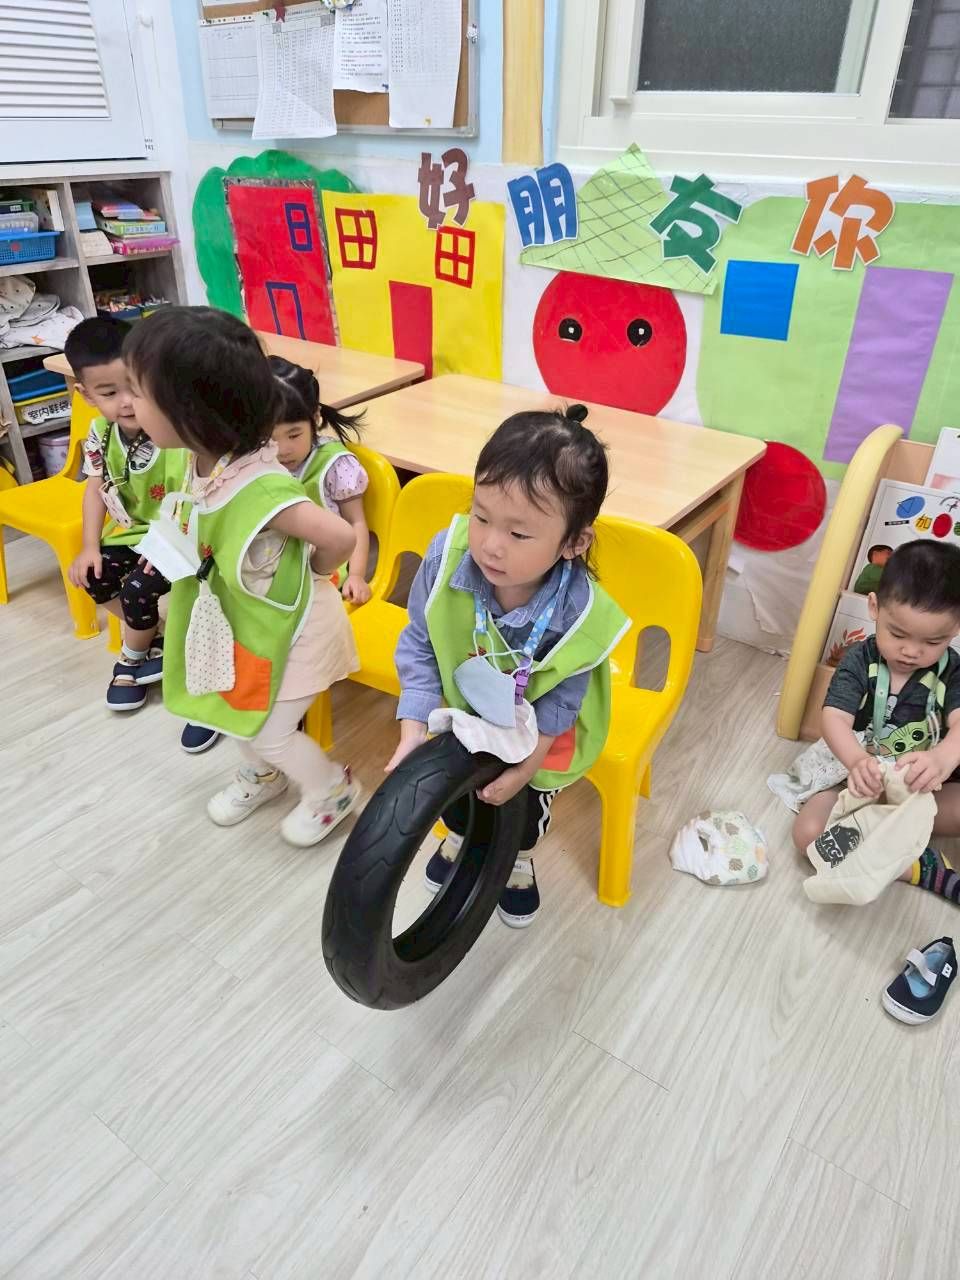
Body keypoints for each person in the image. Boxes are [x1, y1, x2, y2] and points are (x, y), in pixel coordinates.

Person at [123, 307, 361, 848]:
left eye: (138, 391)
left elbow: (341, 538)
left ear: (190, 412)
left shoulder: (261, 488)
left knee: (273, 731)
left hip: (299, 628)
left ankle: (331, 788)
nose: (129, 405)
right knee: (234, 709)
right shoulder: (198, 460)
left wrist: (317, 574)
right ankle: (263, 776)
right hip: (246, 621)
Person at [387, 406, 629, 927]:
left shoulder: (579, 612)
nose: (491, 545)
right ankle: (459, 837)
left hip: (541, 726)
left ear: (574, 542)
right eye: (481, 517)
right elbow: (421, 642)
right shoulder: (446, 557)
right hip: (467, 709)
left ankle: (517, 859)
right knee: (457, 788)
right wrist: (412, 731)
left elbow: (563, 701)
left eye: (519, 535)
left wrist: (525, 767)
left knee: (524, 809)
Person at [63, 318, 219, 753]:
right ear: (86, 395)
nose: (127, 402)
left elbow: (197, 492)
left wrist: (168, 545)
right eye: (110, 393)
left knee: (140, 587)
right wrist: (89, 547)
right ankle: (151, 639)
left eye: (134, 387)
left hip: (185, 536)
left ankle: (134, 656)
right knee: (94, 575)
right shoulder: (101, 434)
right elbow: (96, 488)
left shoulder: (175, 427)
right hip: (135, 535)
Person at [793, 539, 960, 903]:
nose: (911, 651)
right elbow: (834, 717)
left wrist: (942, 758)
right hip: (859, 781)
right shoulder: (860, 659)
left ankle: (890, 841)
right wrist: (856, 762)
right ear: (874, 607)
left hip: (921, 790)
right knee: (809, 834)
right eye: (897, 633)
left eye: (933, 642)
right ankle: (916, 866)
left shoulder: (953, 671)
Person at [268, 355, 371, 604]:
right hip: (275, 566)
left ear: (315, 418)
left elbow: (355, 522)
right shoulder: (258, 459)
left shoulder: (334, 465)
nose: (282, 450)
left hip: (323, 572)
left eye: (294, 435)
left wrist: (356, 576)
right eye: (269, 438)